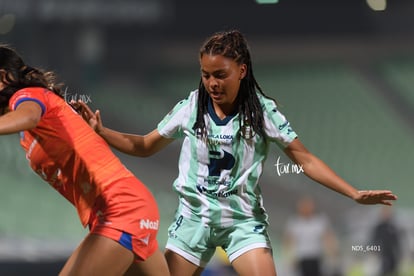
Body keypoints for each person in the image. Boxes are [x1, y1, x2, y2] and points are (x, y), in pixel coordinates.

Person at [75, 30, 397, 276]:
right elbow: (145, 146)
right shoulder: (190, 107)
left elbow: (305, 159)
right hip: (193, 220)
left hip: (242, 222)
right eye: (205, 75)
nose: (211, 83)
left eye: (220, 75)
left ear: (241, 71)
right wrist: (103, 133)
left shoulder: (262, 112)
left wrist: (353, 193)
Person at [0, 45, 170, 276]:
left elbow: (29, 116)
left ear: (3, 77)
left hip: (121, 207)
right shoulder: (31, 124)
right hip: (123, 208)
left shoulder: (28, 96)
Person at [283, 196, 340, 276]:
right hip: (302, 257)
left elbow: (328, 238)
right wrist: (290, 258)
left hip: (317, 256)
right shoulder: (294, 222)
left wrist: (332, 255)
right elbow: (289, 241)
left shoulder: (320, 221)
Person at [370, 206, 402, 276]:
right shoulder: (379, 227)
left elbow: (397, 242)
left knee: (394, 271)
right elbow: (374, 240)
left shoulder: (394, 227)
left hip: (392, 254)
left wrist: (399, 254)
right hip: (382, 254)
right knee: (383, 271)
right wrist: (375, 252)